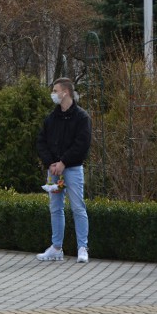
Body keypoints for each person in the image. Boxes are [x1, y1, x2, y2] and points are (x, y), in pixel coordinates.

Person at [36, 77, 92, 263]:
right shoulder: (51, 118)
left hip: (73, 169)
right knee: (55, 208)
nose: (53, 94)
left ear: (65, 92)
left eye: (55, 90)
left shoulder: (82, 117)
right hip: (54, 170)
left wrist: (64, 162)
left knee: (78, 207)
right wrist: (51, 163)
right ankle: (56, 247)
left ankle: (82, 247)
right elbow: (41, 142)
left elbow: (82, 144)